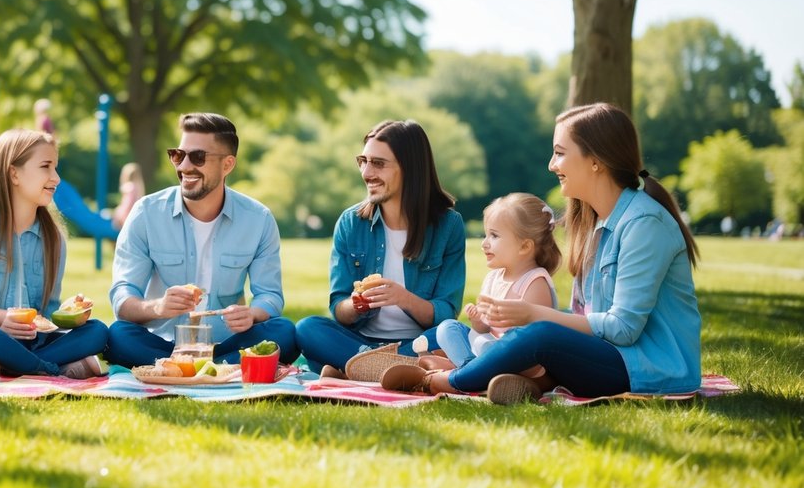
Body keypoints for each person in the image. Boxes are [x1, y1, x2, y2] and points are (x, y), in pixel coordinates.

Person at [385, 103, 702, 404]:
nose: (552, 165)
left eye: (560, 154)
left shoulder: (644, 224)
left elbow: (623, 328)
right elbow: (586, 319)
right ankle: (524, 382)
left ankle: (444, 381)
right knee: (473, 331)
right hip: (603, 357)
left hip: (647, 369)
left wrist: (533, 314)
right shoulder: (595, 223)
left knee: (539, 334)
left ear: (596, 161)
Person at [106, 113, 298, 368]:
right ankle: (218, 369)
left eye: (197, 157)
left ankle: (191, 369)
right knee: (118, 335)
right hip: (163, 343)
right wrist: (158, 307)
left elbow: (270, 296)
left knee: (284, 332)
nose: (184, 166)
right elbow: (122, 296)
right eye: (178, 155)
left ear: (228, 165)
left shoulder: (258, 219)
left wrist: (252, 314)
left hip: (229, 343)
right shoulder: (146, 213)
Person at [295, 120, 466, 378]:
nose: (366, 172)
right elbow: (338, 306)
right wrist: (354, 306)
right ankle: (391, 369)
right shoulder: (351, 222)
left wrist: (403, 298)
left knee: (452, 333)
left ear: (410, 168)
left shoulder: (448, 226)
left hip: (417, 343)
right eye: (363, 160)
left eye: (378, 163)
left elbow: (446, 312)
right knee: (307, 328)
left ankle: (362, 369)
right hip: (360, 339)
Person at [0, 129, 109, 378]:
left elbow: (48, 312)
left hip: (36, 341)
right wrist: (4, 318)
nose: (56, 178)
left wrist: (70, 313)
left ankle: (7, 365)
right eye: (46, 167)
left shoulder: (54, 239)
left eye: (55, 168)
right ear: (14, 173)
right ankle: (49, 369)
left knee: (97, 331)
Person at [423, 193, 560, 371]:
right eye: (485, 235)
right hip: (486, 347)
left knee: (488, 347)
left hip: (518, 359)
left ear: (525, 246)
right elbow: (483, 330)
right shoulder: (493, 278)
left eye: (494, 236)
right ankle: (470, 368)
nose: (484, 244)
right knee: (447, 328)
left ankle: (464, 370)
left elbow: (535, 338)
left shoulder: (535, 281)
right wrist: (478, 320)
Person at [111, 162, 146, 230]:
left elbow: (127, 204)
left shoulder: (129, 187)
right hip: (136, 216)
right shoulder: (138, 187)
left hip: (126, 217)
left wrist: (117, 214)